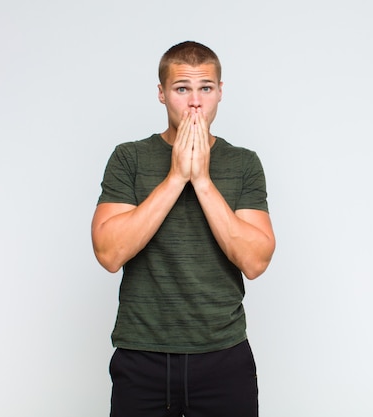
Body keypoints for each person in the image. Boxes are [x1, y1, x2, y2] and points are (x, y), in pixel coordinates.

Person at [91, 41, 276, 417]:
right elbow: (109, 254)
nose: (195, 102)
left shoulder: (243, 164)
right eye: (182, 89)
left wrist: (203, 181)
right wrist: (176, 177)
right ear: (161, 94)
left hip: (223, 357)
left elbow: (255, 262)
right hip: (142, 356)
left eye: (205, 88)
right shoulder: (129, 157)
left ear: (220, 92)